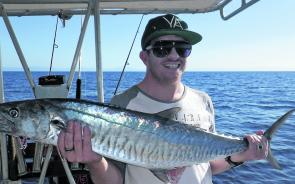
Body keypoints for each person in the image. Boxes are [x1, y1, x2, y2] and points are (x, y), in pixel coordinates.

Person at [57, 14, 268, 184]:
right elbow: (114, 180)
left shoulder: (203, 101)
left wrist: (241, 156)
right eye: (162, 48)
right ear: (144, 57)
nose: (174, 56)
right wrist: (95, 161)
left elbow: (206, 165)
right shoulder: (121, 106)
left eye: (183, 49)